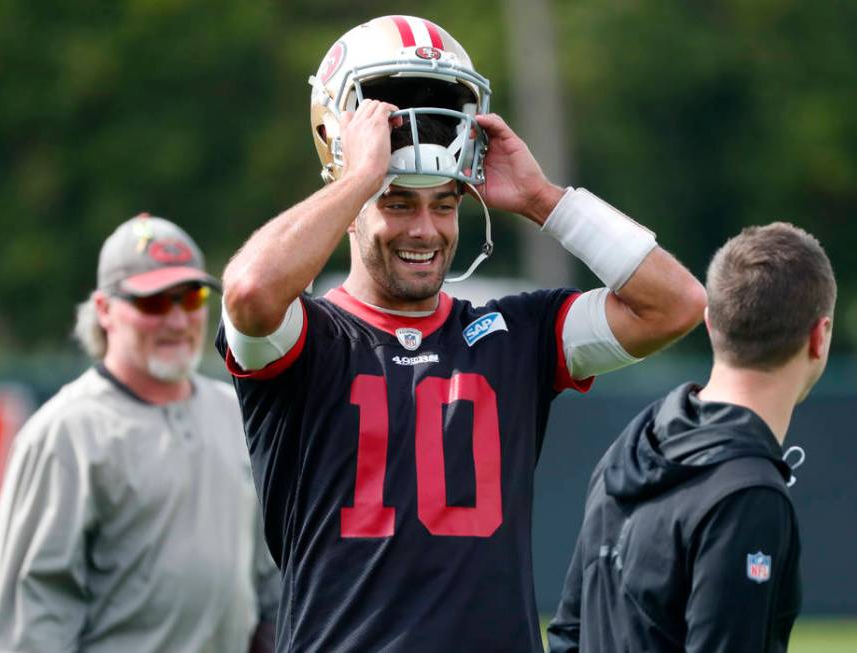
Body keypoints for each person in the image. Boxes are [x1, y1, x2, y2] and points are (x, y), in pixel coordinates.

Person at [218, 14, 706, 653]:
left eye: (443, 204)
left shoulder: (512, 334)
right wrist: (360, 177)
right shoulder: (306, 337)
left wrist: (543, 199)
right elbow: (250, 291)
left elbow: (676, 304)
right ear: (350, 199)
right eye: (398, 203)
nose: (424, 229)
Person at [0, 214, 280, 653]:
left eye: (190, 297)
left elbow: (267, 585)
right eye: (154, 303)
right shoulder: (65, 433)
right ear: (104, 310)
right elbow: (34, 618)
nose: (178, 320)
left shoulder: (235, 414)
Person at [547, 222, 837, 653]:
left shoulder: (633, 445)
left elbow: (569, 634)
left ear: (710, 323)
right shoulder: (748, 494)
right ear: (819, 336)